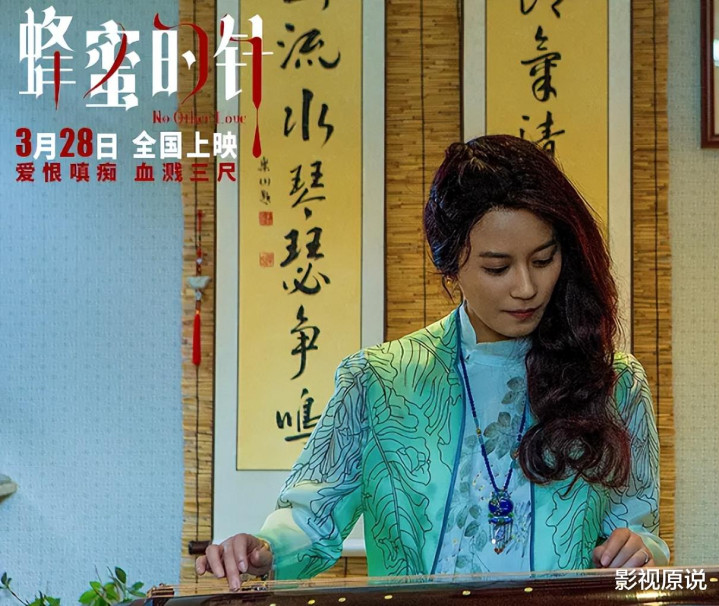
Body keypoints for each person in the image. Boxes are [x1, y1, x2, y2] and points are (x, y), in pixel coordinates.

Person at [196, 134, 670, 588]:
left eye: (543, 260)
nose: (526, 287)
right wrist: (262, 550)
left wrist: (639, 551)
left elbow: (638, 530)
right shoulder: (380, 382)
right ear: (450, 264)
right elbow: (310, 520)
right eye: (497, 267)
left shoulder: (613, 383)